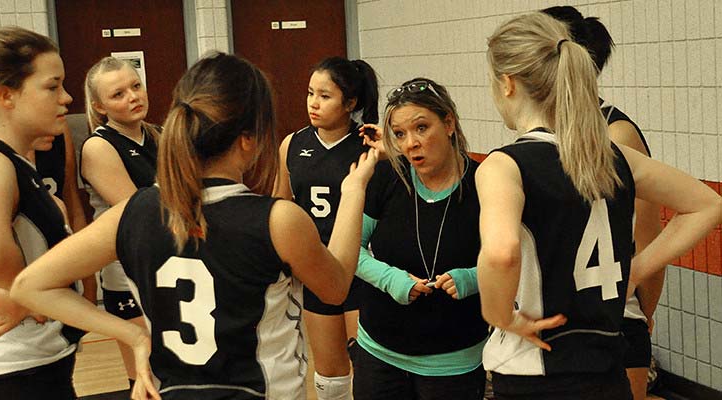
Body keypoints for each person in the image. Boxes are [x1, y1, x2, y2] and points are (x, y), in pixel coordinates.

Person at [10, 52, 379, 400]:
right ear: (250, 140)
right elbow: (335, 288)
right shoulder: (277, 219)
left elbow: (30, 285)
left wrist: (133, 335)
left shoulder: (132, 211)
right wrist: (353, 190)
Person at [478, 12, 722, 400]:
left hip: (535, 377)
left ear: (507, 83)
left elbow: (501, 252)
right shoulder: (615, 155)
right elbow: (707, 204)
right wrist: (636, 268)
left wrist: (498, 315)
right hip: (608, 373)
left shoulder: (503, 165)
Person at [541, 6, 662, 399]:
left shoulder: (616, 133)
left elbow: (647, 234)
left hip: (611, 318)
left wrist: (642, 309)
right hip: (551, 320)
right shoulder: (541, 134)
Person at [352, 78, 489, 400]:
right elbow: (349, 252)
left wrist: (473, 278)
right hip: (379, 350)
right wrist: (389, 279)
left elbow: (518, 258)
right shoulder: (387, 177)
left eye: (422, 128)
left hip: (454, 360)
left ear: (449, 123)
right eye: (399, 134)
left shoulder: (485, 183)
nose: (410, 143)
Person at [0, 26, 80, 399]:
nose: (66, 98)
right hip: (11, 372)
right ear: (6, 95)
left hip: (34, 366)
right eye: (52, 87)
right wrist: (30, 292)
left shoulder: (11, 162)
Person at [272, 56, 378, 400]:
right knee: (330, 373)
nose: (313, 103)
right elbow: (280, 204)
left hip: (362, 268)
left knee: (367, 366)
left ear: (351, 103)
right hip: (316, 270)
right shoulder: (293, 143)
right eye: (310, 93)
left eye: (325, 96)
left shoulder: (369, 146)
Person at [80, 56, 160, 385]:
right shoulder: (98, 146)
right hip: (125, 267)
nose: (133, 96)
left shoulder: (159, 135)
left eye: (136, 86)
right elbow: (140, 211)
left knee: (173, 370)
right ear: (99, 106)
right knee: (145, 376)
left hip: (165, 260)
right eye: (118, 94)